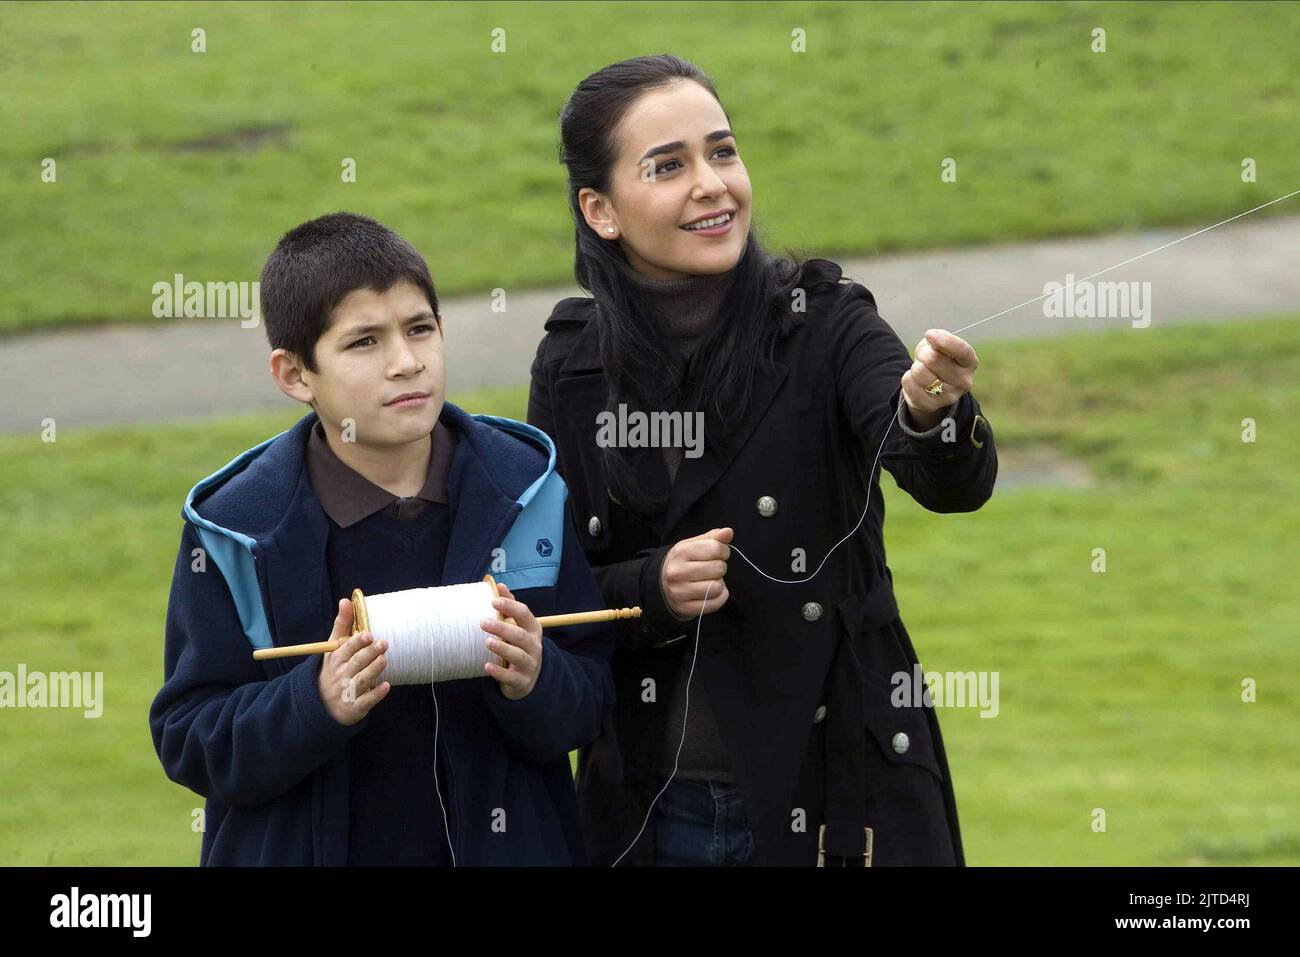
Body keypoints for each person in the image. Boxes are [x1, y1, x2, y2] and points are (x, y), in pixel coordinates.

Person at [528, 55, 998, 866]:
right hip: (647, 810)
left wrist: (931, 410)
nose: (712, 184)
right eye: (667, 166)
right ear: (600, 209)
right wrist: (655, 589)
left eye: (723, 151)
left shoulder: (826, 321)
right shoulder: (572, 366)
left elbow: (938, 470)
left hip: (838, 796)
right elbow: (555, 595)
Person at [150, 212, 614, 866]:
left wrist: (535, 678)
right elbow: (189, 736)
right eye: (364, 342)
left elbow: (589, 701)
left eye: (420, 329)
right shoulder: (236, 528)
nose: (406, 362)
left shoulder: (526, 489)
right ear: (294, 374)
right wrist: (313, 702)